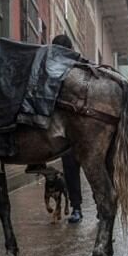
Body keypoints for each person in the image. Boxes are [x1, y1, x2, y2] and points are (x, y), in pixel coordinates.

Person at [53, 34, 83, 222]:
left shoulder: (76, 69)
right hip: (70, 132)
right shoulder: (58, 70)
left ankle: (77, 208)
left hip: (74, 131)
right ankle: (78, 207)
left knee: (73, 170)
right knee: (74, 169)